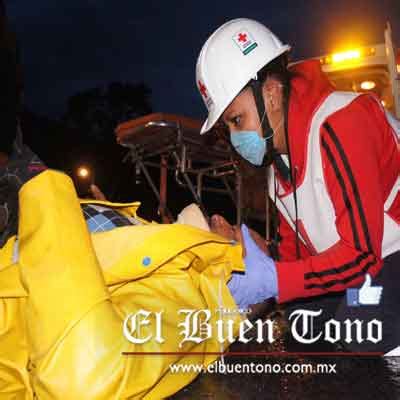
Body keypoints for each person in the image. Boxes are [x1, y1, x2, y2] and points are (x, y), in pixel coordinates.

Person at [195, 18, 399, 354]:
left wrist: (275, 279)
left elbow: (362, 256)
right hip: (372, 267)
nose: (234, 138)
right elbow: (297, 256)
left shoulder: (342, 123)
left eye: (236, 120)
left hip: (387, 257)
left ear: (271, 95)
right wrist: (263, 261)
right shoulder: (280, 168)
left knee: (363, 324)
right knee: (303, 320)